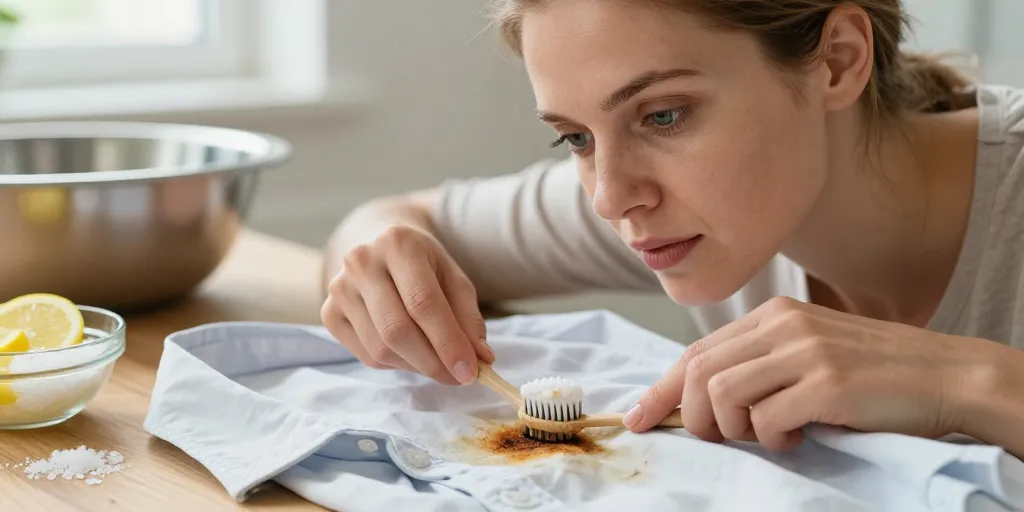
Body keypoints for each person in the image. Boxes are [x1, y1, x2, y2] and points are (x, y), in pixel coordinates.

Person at [320, 0, 1024, 458]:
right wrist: (385, 270)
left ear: (837, 60)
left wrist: (959, 380)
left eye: (663, 115)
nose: (610, 199)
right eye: (575, 138)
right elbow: (389, 224)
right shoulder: (674, 205)